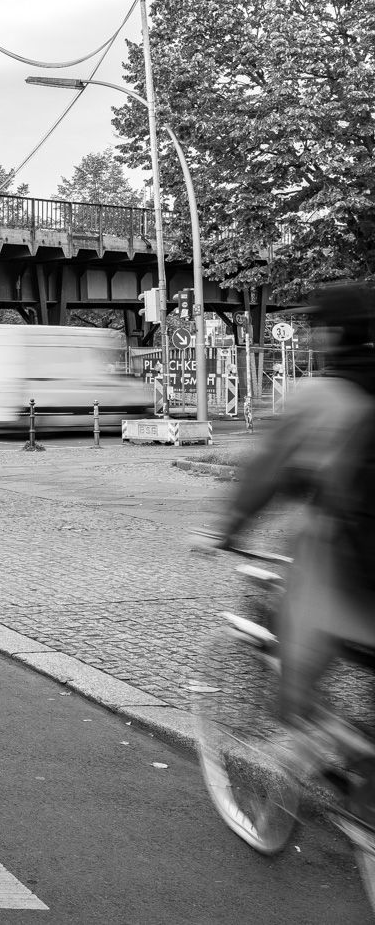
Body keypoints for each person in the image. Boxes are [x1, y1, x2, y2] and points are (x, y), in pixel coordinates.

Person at [195, 283, 375, 776]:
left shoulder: (324, 395)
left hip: (352, 559)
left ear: (333, 333)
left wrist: (227, 529)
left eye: (316, 329)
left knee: (297, 660)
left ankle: (312, 749)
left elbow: (270, 472)